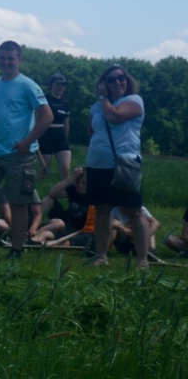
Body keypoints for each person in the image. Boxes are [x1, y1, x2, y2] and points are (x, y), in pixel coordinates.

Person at [0, 41, 52, 258]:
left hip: (19, 154)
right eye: (2, 58)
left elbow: (47, 116)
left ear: (19, 60)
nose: (6, 62)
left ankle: (16, 250)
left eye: (11, 58)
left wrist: (28, 141)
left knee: (18, 202)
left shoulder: (28, 85)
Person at [86, 64, 150, 269]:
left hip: (125, 163)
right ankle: (101, 256)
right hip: (98, 164)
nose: (117, 82)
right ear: (104, 83)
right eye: (111, 79)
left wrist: (103, 97)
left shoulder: (134, 100)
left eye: (121, 78)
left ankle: (142, 260)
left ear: (127, 80)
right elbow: (92, 132)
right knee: (102, 209)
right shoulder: (96, 107)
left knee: (134, 210)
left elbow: (115, 117)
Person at [33, 166, 93, 246]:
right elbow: (52, 193)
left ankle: (32, 236)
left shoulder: (94, 194)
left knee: (56, 227)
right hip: (66, 220)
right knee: (48, 200)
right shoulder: (73, 189)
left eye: (84, 183)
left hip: (78, 229)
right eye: (77, 182)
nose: (80, 186)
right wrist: (71, 178)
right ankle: (33, 225)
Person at [38, 74, 72, 180]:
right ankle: (40, 189)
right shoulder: (43, 100)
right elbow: (35, 118)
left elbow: (66, 123)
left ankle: (65, 189)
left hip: (60, 138)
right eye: (58, 84)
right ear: (51, 85)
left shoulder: (65, 103)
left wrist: (65, 137)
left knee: (66, 169)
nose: (60, 87)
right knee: (44, 170)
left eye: (63, 85)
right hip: (45, 136)